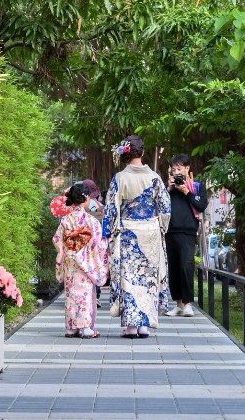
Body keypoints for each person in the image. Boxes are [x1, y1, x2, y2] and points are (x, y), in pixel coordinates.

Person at [102, 135, 171, 338]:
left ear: (126, 154)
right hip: (150, 232)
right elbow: (166, 208)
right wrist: (160, 228)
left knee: (129, 279)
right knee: (149, 277)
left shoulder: (120, 178)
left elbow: (111, 210)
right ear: (142, 152)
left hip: (128, 234)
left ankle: (132, 326)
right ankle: (145, 326)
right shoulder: (155, 178)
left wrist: (110, 233)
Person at [52, 183, 108, 338]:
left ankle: (71, 327)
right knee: (84, 294)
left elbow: (57, 239)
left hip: (70, 260)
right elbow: (97, 243)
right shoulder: (91, 220)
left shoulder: (65, 220)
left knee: (71, 293)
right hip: (85, 262)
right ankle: (85, 328)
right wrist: (106, 244)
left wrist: (68, 249)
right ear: (85, 198)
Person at [164, 154, 209, 317]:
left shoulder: (197, 187)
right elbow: (156, 204)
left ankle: (188, 304)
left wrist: (186, 192)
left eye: (179, 168)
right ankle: (178, 304)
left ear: (187, 169)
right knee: (174, 269)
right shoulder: (167, 188)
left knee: (186, 266)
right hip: (169, 232)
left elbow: (202, 205)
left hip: (188, 232)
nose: (176, 172)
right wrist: (168, 189)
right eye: (173, 169)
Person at [79, 178, 105, 307]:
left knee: (84, 270)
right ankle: (97, 296)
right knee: (95, 267)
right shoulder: (99, 206)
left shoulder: (79, 205)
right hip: (96, 241)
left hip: (82, 243)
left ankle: (84, 295)